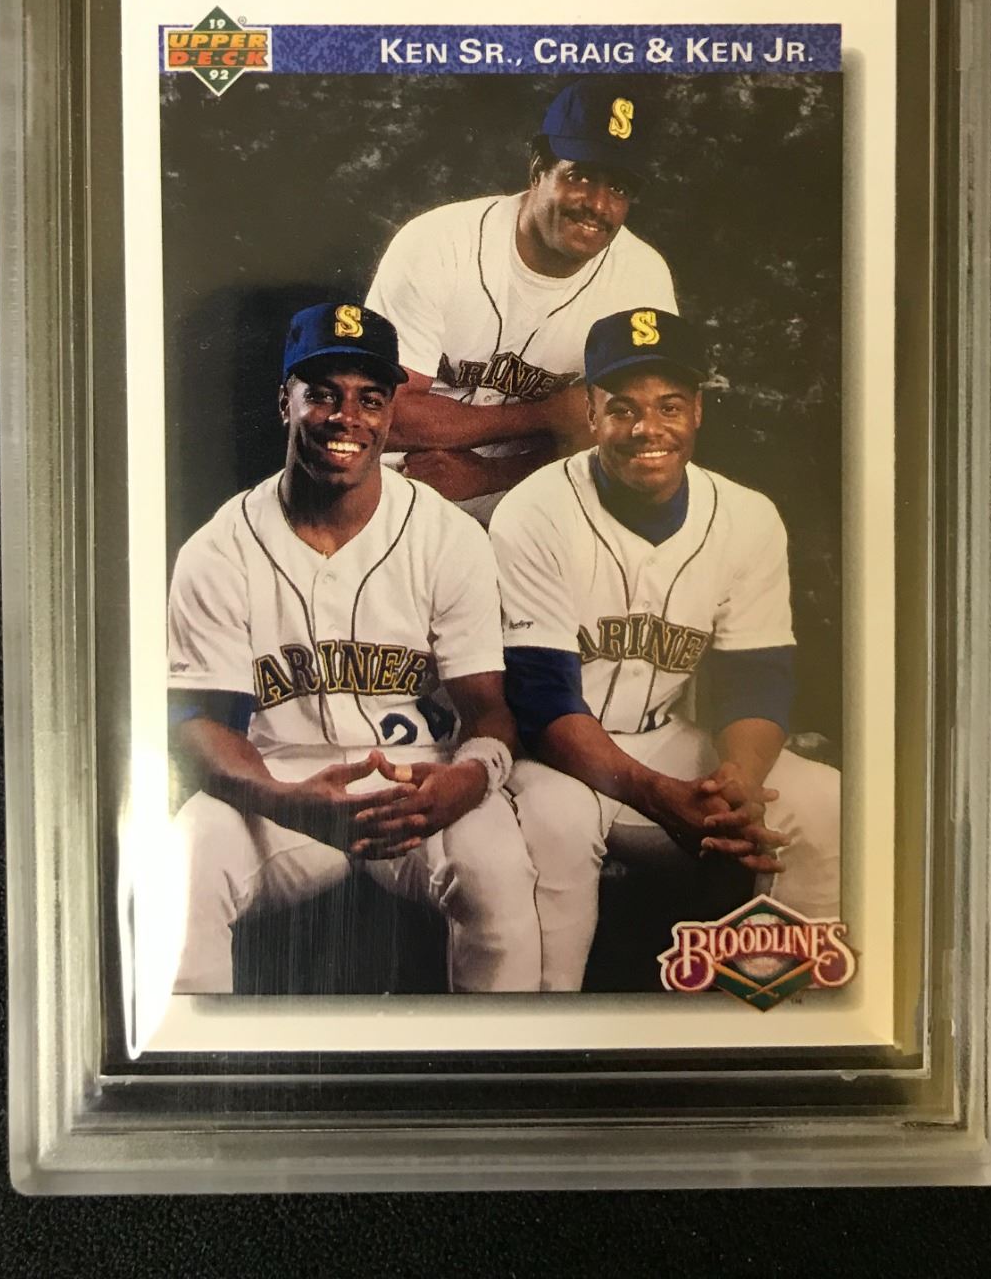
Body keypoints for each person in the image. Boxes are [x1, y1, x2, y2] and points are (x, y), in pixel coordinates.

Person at [167, 301, 540, 994]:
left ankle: (502, 1064)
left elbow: (488, 711)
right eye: (323, 395)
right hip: (279, 780)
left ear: (391, 414)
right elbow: (202, 725)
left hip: (417, 778)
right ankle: (194, 1063)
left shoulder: (448, 538)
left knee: (498, 870)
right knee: (187, 863)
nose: (347, 417)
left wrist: (473, 777)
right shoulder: (218, 549)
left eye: (370, 399)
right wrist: (284, 800)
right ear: (285, 402)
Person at [489, 307, 841, 991]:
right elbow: (541, 701)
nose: (648, 428)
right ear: (591, 414)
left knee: (820, 802)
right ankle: (547, 1028)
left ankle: (785, 1017)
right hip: (553, 756)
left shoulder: (747, 517)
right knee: (558, 823)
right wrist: (659, 797)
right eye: (623, 408)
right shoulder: (534, 513)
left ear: (698, 411)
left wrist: (738, 784)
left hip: (663, 741)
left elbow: (755, 678)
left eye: (669, 406)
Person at [364, 76, 677, 523]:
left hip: (540, 490)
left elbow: (632, 435)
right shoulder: (436, 243)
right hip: (405, 478)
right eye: (581, 176)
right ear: (537, 171)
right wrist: (552, 414)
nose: (598, 204)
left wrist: (489, 475)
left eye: (619, 188)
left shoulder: (641, 278)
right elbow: (380, 415)